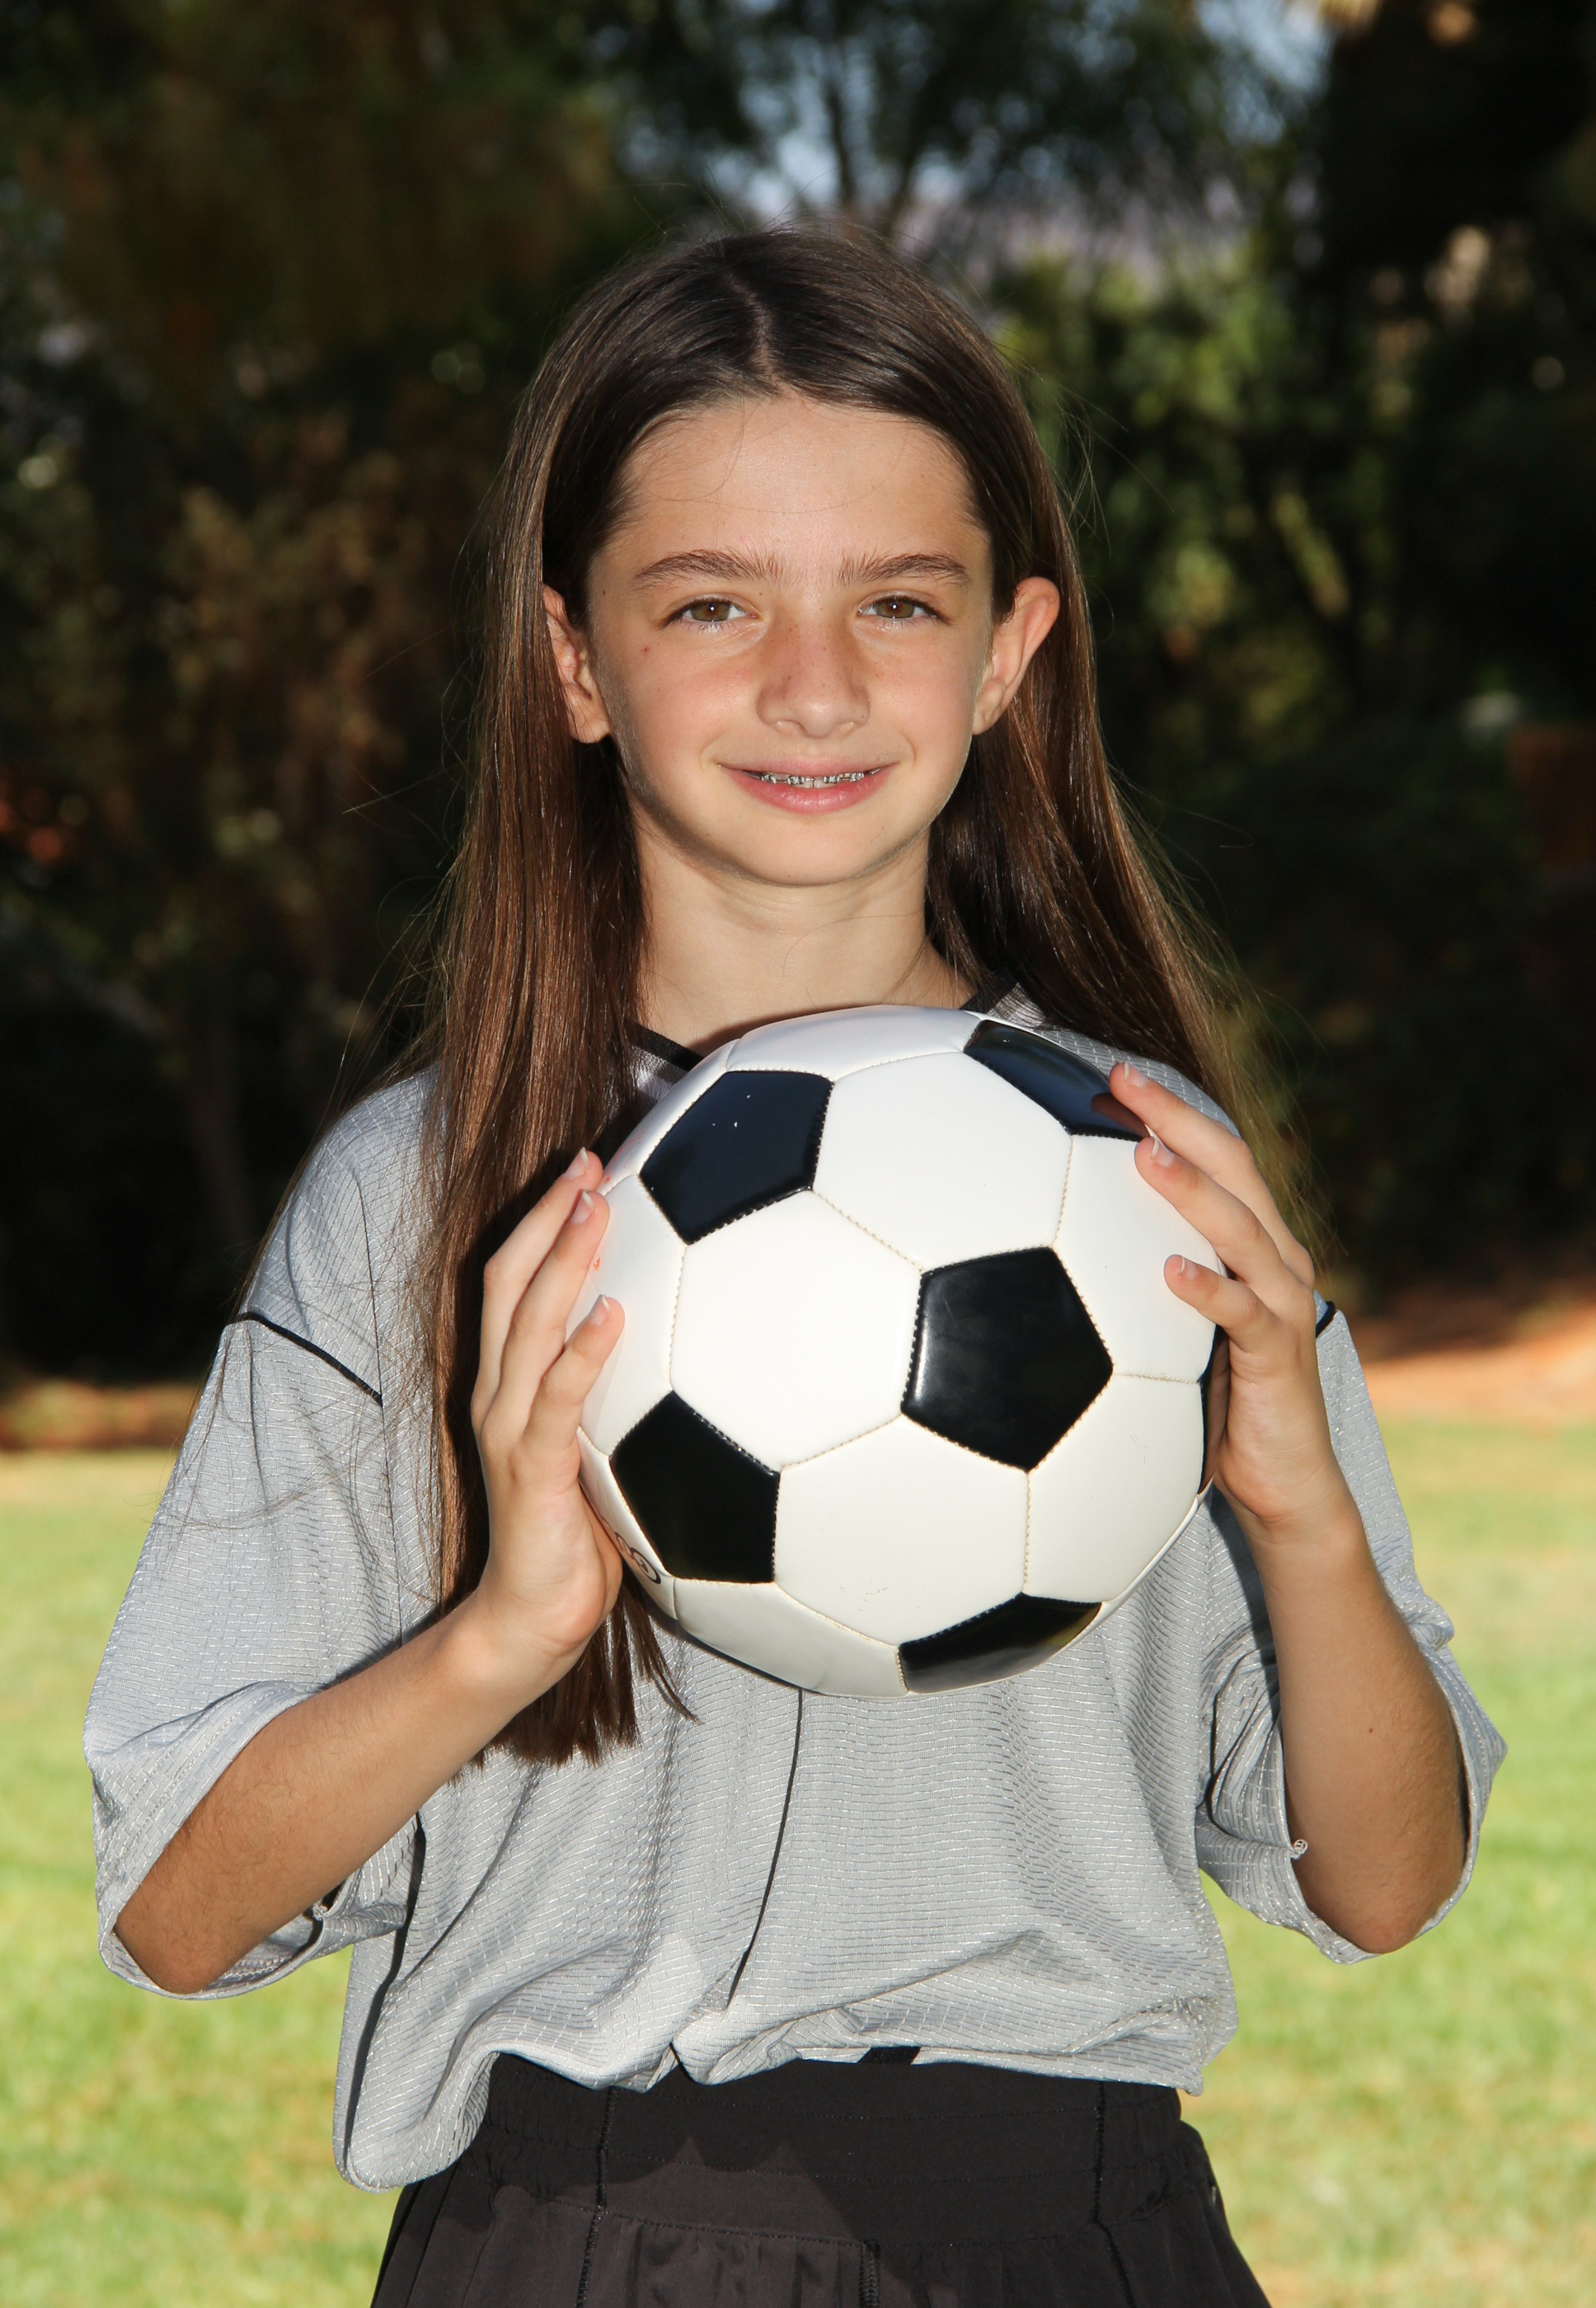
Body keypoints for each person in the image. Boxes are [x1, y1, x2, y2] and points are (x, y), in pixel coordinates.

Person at [86, 229, 1503, 2308]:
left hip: (1077, 2233)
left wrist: (1300, 1515)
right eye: (711, 602)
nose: (814, 684)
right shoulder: (427, 1193)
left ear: (1011, 650)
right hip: (572, 2236)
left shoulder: (1147, 1178)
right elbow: (177, 1910)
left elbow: (1386, 1883)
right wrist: (503, 1630)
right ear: (574, 659)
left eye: (898, 601)